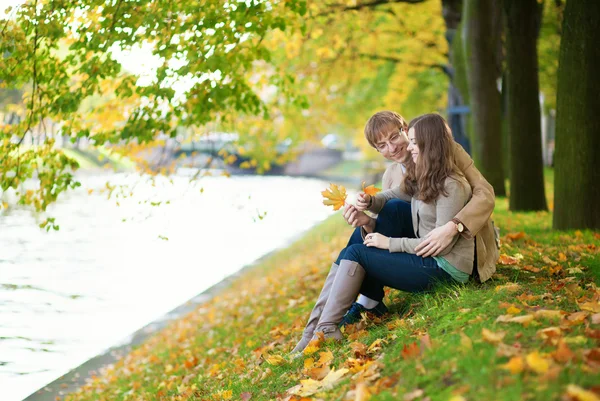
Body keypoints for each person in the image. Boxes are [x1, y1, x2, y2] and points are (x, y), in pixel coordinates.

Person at [291, 111, 499, 353]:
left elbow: (484, 192)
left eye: (396, 137)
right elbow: (387, 214)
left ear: (406, 130)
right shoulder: (396, 174)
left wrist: (454, 226)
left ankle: (334, 322)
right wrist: (367, 210)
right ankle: (318, 328)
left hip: (452, 243)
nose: (394, 147)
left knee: (363, 247)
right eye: (382, 145)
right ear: (377, 150)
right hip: (419, 239)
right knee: (367, 235)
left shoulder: (446, 155)